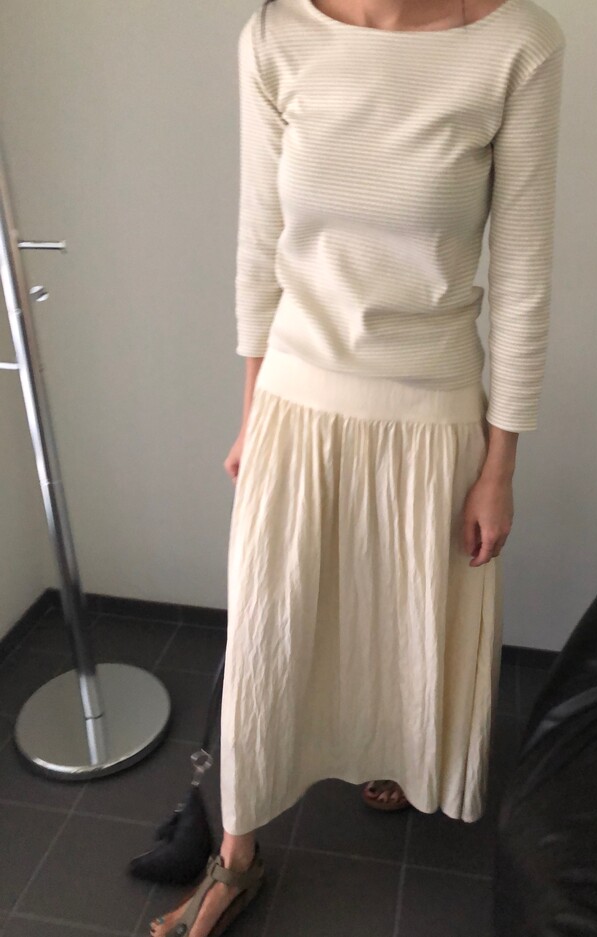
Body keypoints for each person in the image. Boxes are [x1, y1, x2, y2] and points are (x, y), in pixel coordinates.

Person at [150, 0, 564, 933]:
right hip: (299, 394)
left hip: (432, 409)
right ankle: (235, 856)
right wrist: (252, 415)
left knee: (400, 612)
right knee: (271, 624)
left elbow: (524, 275)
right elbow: (261, 241)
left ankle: (389, 752)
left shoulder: (517, 46)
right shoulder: (276, 38)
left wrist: (500, 465)